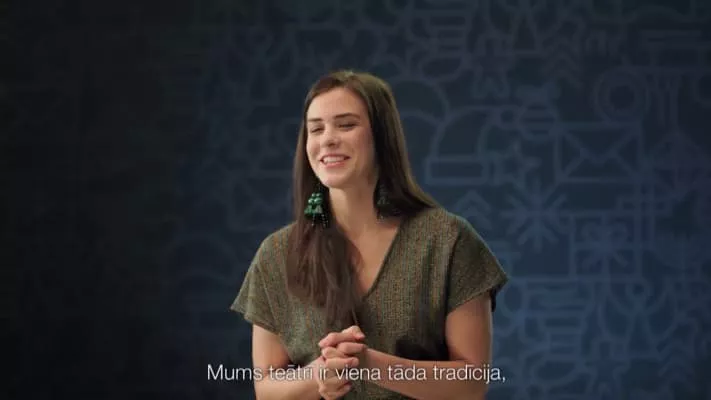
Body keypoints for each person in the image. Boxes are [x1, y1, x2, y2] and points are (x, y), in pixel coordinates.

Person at [230, 70, 508, 400]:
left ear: (382, 137)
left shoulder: (449, 240)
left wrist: (370, 365)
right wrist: (320, 375)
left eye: (346, 125)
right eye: (316, 129)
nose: (328, 139)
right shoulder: (276, 253)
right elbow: (265, 388)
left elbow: (472, 382)